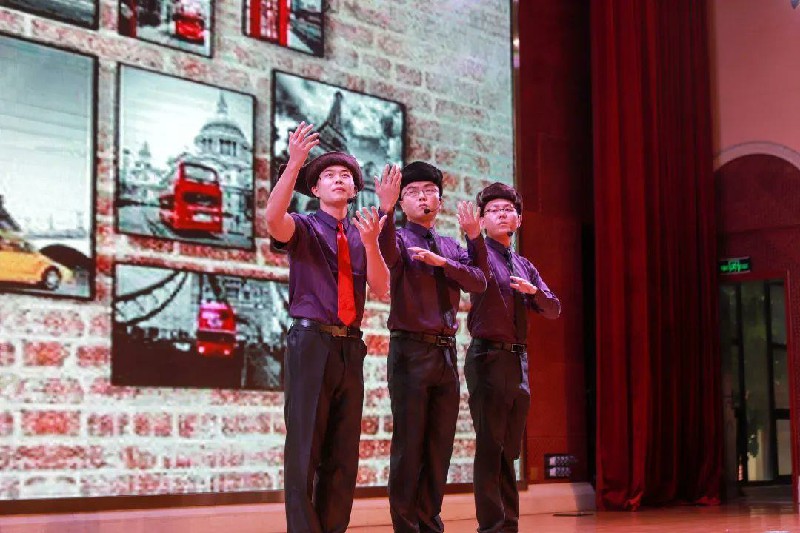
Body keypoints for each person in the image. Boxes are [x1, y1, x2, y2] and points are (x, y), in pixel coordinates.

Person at [264, 122, 392, 533]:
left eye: (346, 176)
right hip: (311, 341)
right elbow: (273, 220)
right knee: (305, 448)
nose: (339, 179)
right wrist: (295, 162)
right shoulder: (303, 225)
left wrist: (371, 243)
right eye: (329, 175)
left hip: (350, 346)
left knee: (343, 454)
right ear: (315, 189)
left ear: (354, 190)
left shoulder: (363, 233)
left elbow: (383, 288)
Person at [375, 160, 488, 533]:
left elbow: (479, 281)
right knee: (409, 446)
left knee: (440, 446)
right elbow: (386, 253)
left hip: (445, 353)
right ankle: (407, 527)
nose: (422, 197)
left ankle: (430, 522)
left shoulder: (450, 246)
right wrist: (385, 209)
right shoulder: (398, 237)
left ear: (440, 199)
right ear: (402, 202)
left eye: (429, 191)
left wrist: (468, 243)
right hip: (410, 351)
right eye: (412, 192)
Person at [464, 182, 561, 533]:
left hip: (518, 362)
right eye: (493, 210)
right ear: (482, 221)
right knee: (490, 447)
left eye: (508, 210)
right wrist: (473, 237)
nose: (502, 215)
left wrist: (534, 292)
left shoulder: (524, 265)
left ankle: (509, 526)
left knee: (509, 450)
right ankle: (491, 527)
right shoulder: (477, 254)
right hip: (487, 356)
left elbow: (553, 309)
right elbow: (470, 271)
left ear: (519, 219)